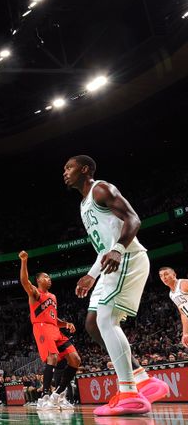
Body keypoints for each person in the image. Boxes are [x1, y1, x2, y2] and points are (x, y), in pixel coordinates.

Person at [64, 155, 169, 416]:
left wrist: (119, 249)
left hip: (128, 258)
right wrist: (91, 275)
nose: (64, 172)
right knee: (92, 323)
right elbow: (103, 247)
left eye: (69, 167)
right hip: (111, 262)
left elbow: (133, 219)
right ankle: (143, 380)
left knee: (107, 319)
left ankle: (129, 394)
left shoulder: (102, 188)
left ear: (85, 169)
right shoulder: (82, 204)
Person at [18, 251, 81, 409]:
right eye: (45, 277)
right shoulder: (35, 293)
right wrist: (24, 261)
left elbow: (54, 319)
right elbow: (24, 280)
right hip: (41, 327)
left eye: (49, 277)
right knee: (52, 357)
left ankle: (57, 394)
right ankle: (44, 396)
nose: (49, 279)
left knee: (75, 359)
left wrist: (65, 324)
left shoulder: (53, 297)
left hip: (54, 329)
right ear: (38, 280)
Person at [157, 267, 188, 347]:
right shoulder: (171, 294)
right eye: (161, 276)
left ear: (174, 275)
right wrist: (185, 333)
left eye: (166, 274)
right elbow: (183, 313)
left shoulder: (183, 284)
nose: (164, 277)